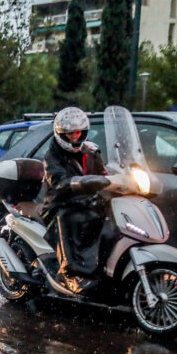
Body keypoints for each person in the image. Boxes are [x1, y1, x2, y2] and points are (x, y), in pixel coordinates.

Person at [39, 106, 109, 294]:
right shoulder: (52, 155)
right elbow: (58, 181)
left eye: (78, 132)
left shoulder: (91, 151)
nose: (75, 137)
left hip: (86, 201)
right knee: (66, 218)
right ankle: (68, 273)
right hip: (59, 203)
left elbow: (104, 173)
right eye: (70, 133)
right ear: (61, 133)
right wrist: (81, 182)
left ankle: (102, 266)